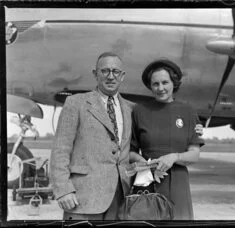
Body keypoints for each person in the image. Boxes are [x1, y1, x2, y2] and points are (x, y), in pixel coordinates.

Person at [50, 52, 136, 220]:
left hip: (119, 200)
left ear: (122, 76)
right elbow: (61, 149)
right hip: (82, 199)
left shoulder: (131, 109)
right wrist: (63, 190)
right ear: (95, 74)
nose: (110, 76)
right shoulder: (76, 103)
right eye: (105, 71)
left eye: (115, 72)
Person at [129, 59, 205, 220]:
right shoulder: (139, 112)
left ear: (174, 83)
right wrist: (148, 166)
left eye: (165, 82)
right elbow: (130, 152)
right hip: (148, 183)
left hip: (178, 184)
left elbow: (194, 155)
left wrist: (174, 157)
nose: (160, 88)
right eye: (155, 84)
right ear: (150, 86)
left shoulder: (188, 111)